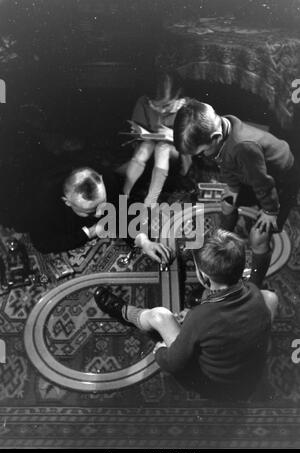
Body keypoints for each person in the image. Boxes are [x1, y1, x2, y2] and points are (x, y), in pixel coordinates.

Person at [93, 229, 278, 401]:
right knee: (270, 297)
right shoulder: (254, 291)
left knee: (161, 316)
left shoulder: (199, 318)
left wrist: (161, 351)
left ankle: (123, 312)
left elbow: (174, 363)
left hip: (213, 386)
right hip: (248, 380)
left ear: (203, 277)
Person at [173, 99, 300, 287]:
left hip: (279, 183)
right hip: (252, 173)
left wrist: (269, 212)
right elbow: (225, 163)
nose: (202, 156)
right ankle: (220, 245)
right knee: (227, 202)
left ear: (216, 137)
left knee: (259, 235)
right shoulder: (222, 131)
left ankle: (255, 283)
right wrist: (232, 189)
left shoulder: (243, 147)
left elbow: (263, 183)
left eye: (201, 152)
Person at [29, 164, 171, 264]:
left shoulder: (108, 181)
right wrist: (89, 233)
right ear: (67, 202)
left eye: (103, 203)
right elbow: (42, 244)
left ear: (101, 180)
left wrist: (144, 242)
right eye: (91, 211)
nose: (101, 213)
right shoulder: (44, 206)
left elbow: (123, 215)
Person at [122, 70, 187, 206]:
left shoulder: (187, 107)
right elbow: (137, 131)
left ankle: (151, 198)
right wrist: (139, 133)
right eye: (155, 105)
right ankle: (125, 192)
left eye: (166, 105)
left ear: (178, 95)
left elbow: (193, 140)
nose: (161, 110)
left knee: (162, 147)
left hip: (176, 153)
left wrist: (174, 135)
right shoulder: (143, 102)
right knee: (145, 147)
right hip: (149, 152)